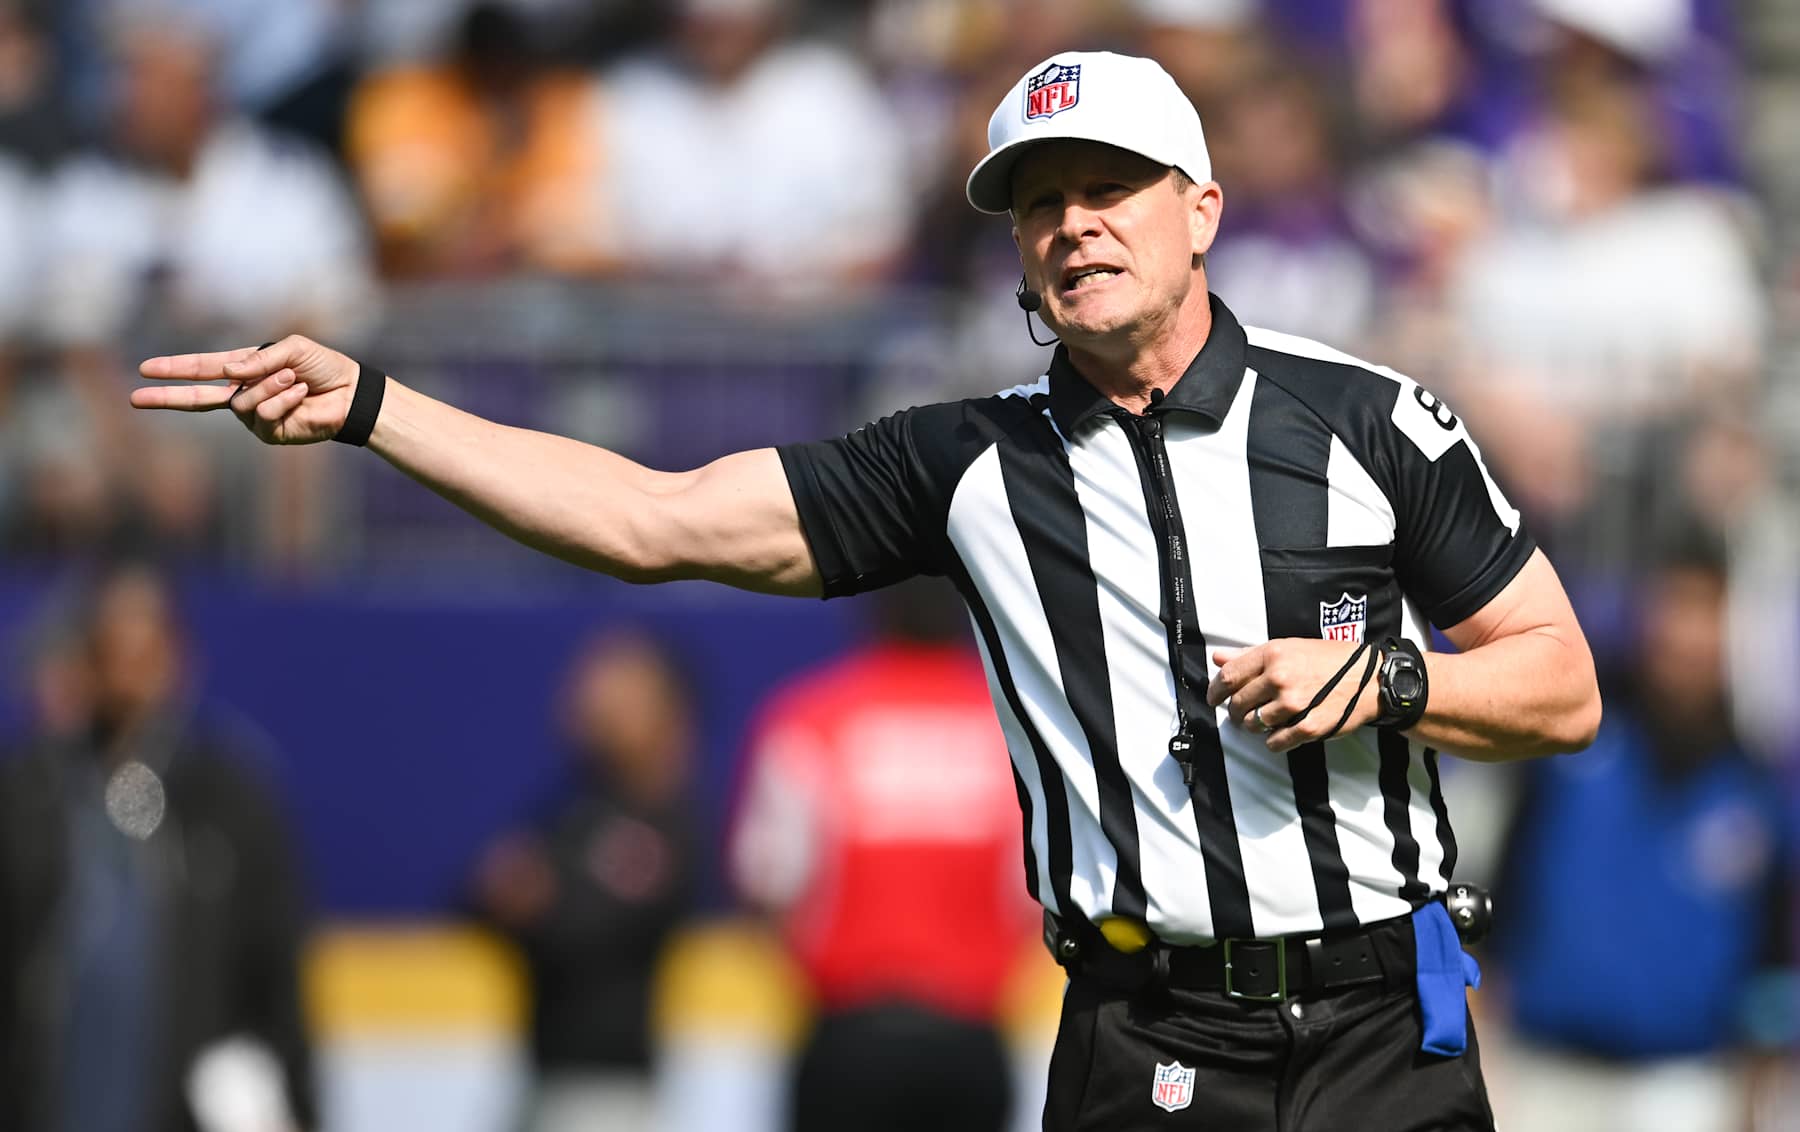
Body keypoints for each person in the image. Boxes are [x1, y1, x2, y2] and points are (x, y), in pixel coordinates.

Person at [131, 50, 1600, 1131]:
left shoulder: (1367, 416)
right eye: (1038, 204)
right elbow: (654, 520)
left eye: (1108, 189)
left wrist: (1398, 682)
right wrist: (378, 406)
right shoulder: (971, 464)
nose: (1073, 225)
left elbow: (1560, 681)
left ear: (1201, 210)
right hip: (1148, 1031)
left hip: (1382, 1034)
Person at [1487, 537, 1794, 1132]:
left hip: (1683, 1088)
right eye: (1674, 607)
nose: (1686, 636)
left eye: (1706, 612)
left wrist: (1757, 1097)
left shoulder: (1754, 786)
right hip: (1547, 1074)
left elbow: (1770, 966)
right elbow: (1502, 892)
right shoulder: (1570, 745)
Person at [0, 563, 317, 1132]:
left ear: (178, 659)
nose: (128, 672)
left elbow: (274, 978)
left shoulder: (227, 801)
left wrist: (289, 1101)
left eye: (145, 648)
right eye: (111, 648)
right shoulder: (31, 796)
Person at [729, 578, 1040, 1132]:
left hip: (848, 1038)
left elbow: (768, 883)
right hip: (969, 1038)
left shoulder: (811, 715)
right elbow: (1037, 891)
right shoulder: (1012, 726)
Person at [468, 630, 700, 1132]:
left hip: (610, 1093)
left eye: (623, 690)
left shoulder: (668, 823)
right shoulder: (574, 810)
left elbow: (585, 929)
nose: (599, 700)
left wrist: (540, 900)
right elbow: (479, 895)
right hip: (544, 1080)